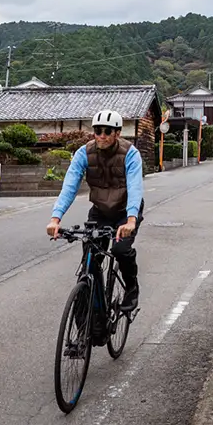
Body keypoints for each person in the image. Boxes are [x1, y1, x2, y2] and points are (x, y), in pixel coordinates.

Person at [46, 109, 145, 309]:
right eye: (98, 130)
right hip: (100, 210)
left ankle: (132, 288)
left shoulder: (130, 154)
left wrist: (131, 220)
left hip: (125, 211)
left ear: (117, 133)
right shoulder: (84, 153)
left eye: (107, 131)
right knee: (90, 259)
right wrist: (55, 218)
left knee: (120, 250)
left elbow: (135, 187)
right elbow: (70, 186)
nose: (102, 135)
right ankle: (89, 317)